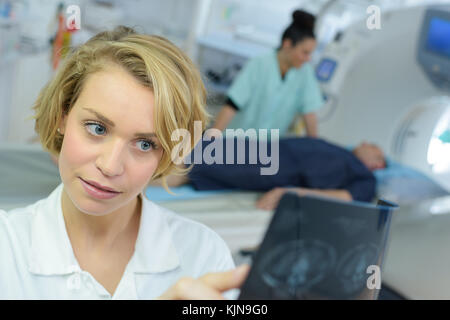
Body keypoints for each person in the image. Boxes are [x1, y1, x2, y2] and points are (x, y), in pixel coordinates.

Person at [0, 26, 249, 299]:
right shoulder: (7, 247)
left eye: (145, 144)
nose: (110, 166)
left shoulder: (203, 255)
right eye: (96, 128)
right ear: (62, 117)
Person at [159, 137, 384, 210]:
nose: (378, 160)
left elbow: (345, 198)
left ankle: (137, 176)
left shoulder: (367, 179)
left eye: (380, 160)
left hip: (279, 166)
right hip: (272, 149)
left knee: (198, 162)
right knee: (202, 151)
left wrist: (290, 193)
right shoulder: (344, 151)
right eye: (376, 152)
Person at [211, 10, 324, 137]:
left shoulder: (305, 73)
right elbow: (232, 105)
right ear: (287, 45)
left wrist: (315, 148)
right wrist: (210, 141)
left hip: (268, 148)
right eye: (305, 52)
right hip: (237, 140)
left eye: (310, 54)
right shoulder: (260, 64)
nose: (308, 59)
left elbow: (310, 114)